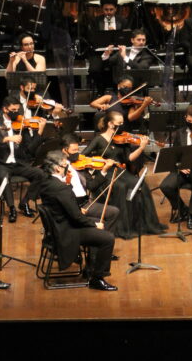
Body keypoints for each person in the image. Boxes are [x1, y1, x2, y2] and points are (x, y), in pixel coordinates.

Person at [39, 150, 117, 291]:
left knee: (97, 229)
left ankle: (91, 268)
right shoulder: (62, 188)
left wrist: (77, 210)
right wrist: (95, 224)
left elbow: (62, 207)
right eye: (65, 165)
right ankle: (97, 278)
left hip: (59, 225)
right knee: (107, 237)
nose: (67, 168)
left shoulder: (46, 182)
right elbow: (77, 218)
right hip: (67, 231)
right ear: (57, 168)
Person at [83, 111, 165, 239]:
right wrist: (101, 162)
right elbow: (84, 156)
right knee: (121, 187)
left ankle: (141, 224)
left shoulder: (121, 139)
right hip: (106, 173)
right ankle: (122, 227)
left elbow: (129, 158)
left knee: (141, 186)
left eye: (122, 123)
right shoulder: (99, 139)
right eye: (119, 123)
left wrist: (141, 148)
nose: (122, 125)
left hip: (121, 171)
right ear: (110, 124)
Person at [61, 134, 120, 237]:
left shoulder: (81, 166)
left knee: (114, 212)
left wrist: (104, 170)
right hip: (74, 207)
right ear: (64, 151)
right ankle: (99, 243)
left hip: (85, 203)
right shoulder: (59, 168)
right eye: (74, 151)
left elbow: (92, 186)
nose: (78, 154)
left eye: (78, 150)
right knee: (99, 222)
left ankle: (105, 242)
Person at [0, 96, 47, 221]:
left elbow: (30, 149)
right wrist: (7, 139)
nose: (17, 113)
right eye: (13, 110)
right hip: (2, 163)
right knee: (4, 178)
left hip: (18, 163)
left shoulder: (21, 125)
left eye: (18, 110)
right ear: (5, 109)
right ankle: (11, 208)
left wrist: (40, 131)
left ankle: (24, 202)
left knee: (40, 174)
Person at [86, 0, 129, 95]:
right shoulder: (95, 21)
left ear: (116, 9)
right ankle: (100, 90)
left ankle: (118, 91)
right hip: (100, 52)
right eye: (106, 9)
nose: (108, 12)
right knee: (94, 69)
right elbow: (91, 38)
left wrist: (115, 35)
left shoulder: (122, 21)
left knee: (120, 65)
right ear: (102, 9)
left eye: (111, 9)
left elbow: (126, 38)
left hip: (116, 52)